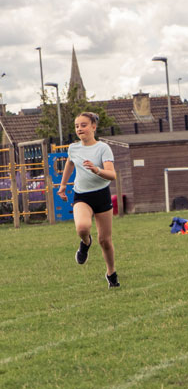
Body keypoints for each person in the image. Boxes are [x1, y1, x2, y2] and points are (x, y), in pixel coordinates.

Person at [59, 112, 120, 288]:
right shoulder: (73, 148)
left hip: (101, 194)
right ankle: (85, 243)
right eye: (77, 126)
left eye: (83, 125)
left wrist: (97, 170)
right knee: (82, 227)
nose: (79, 129)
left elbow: (112, 175)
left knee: (105, 240)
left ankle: (111, 273)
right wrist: (63, 186)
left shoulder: (103, 148)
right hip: (82, 196)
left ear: (93, 126)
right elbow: (70, 163)